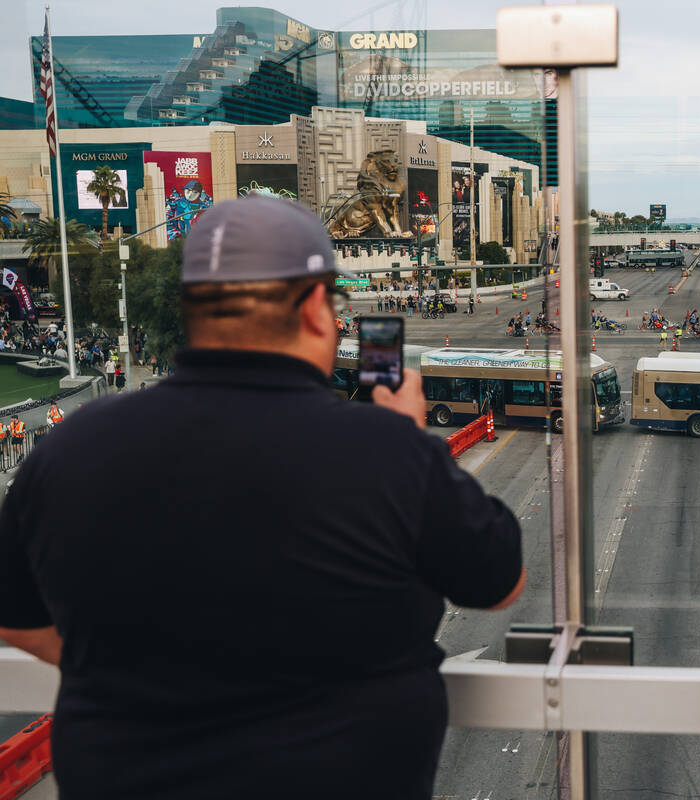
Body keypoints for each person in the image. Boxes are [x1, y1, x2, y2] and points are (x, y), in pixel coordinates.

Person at [0, 195, 525, 800]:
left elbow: (16, 617)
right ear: (311, 309)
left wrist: (130, 672)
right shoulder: (386, 453)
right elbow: (500, 579)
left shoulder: (70, 448)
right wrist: (406, 439)